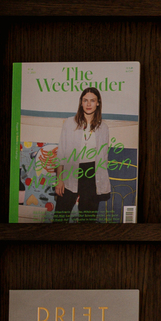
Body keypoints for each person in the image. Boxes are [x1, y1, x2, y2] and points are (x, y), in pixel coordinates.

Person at [52, 85, 111, 222]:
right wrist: (59, 179)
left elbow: (104, 158)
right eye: (85, 100)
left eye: (92, 100)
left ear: (98, 103)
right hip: (70, 172)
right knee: (60, 217)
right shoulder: (69, 123)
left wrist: (101, 182)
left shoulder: (103, 127)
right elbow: (61, 153)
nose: (88, 104)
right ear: (81, 102)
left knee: (87, 220)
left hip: (92, 176)